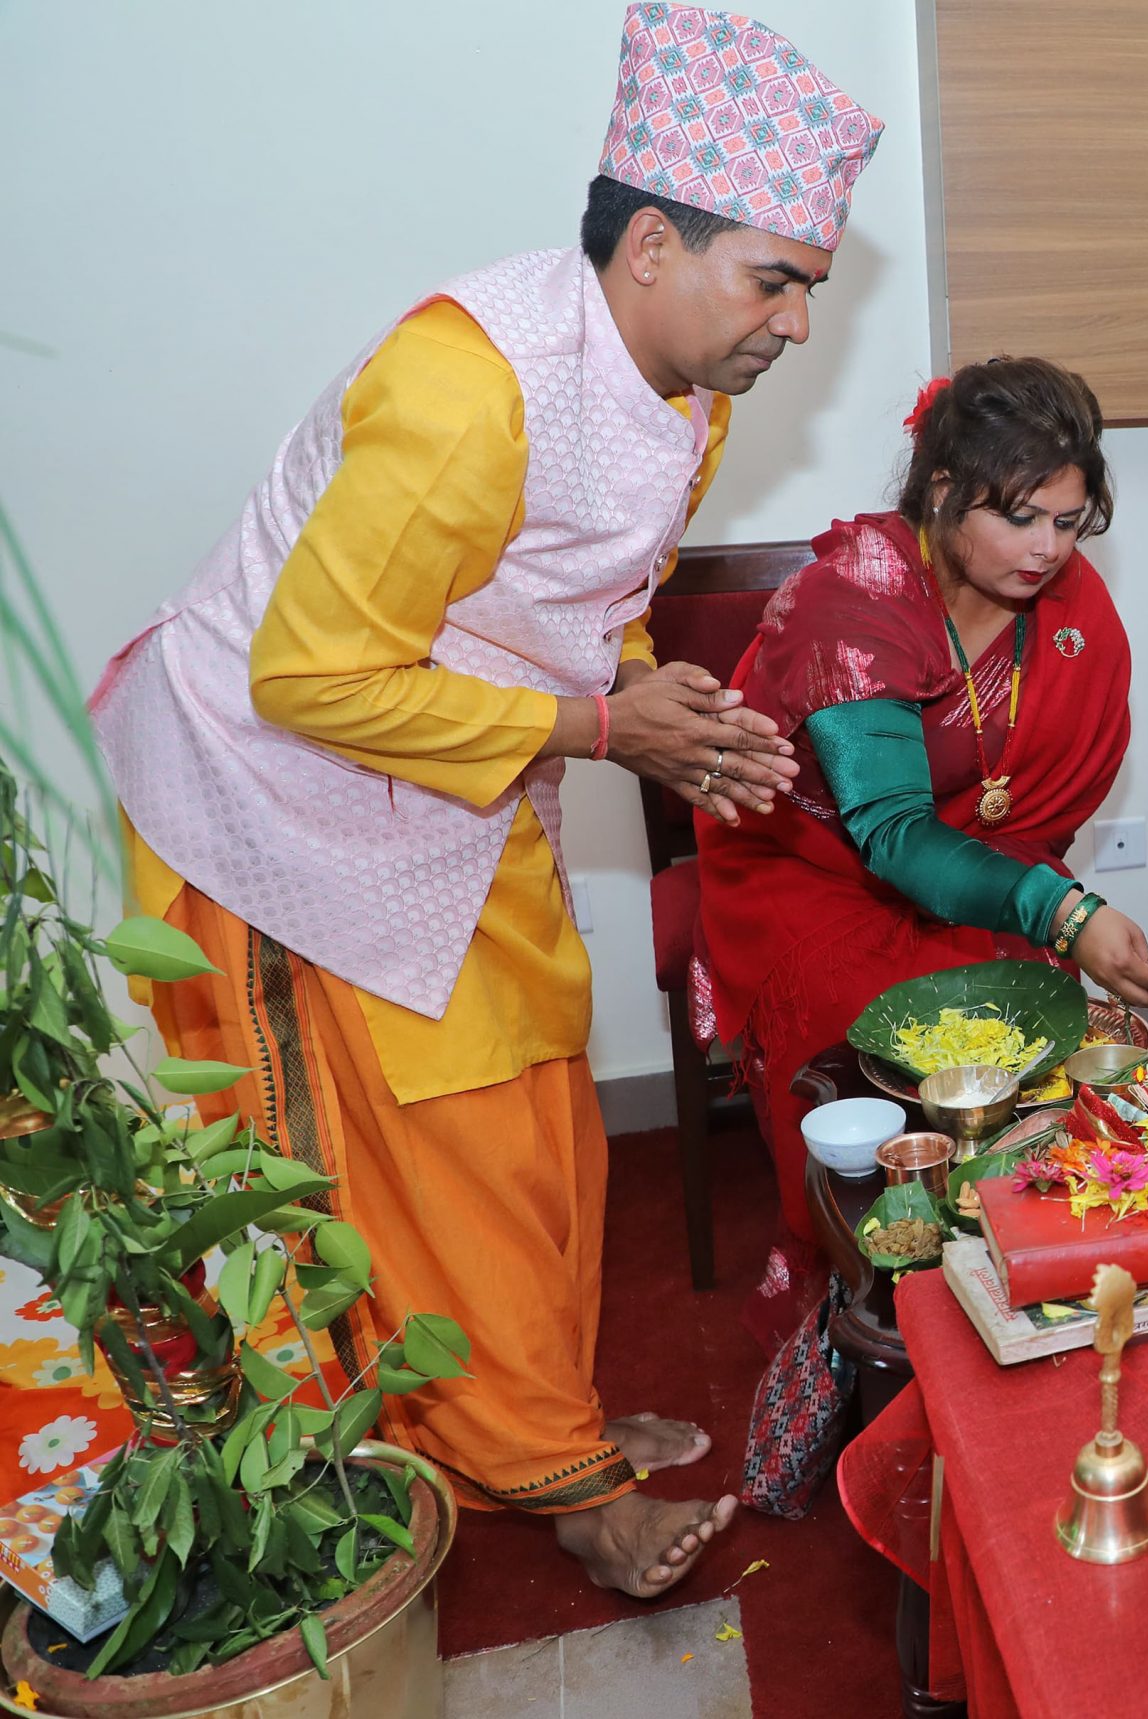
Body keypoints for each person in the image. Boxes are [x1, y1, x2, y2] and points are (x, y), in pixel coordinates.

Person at [86, 4, 881, 1599]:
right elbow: (307, 677)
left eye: (811, 286)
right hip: (273, 801)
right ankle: (556, 1484)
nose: (795, 322)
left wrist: (669, 703)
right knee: (411, 1159)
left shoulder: (689, 393)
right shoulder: (468, 387)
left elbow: (593, 583)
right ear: (652, 242)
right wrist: (604, 723)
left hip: (445, 783)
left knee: (537, 1118)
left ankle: (534, 1416)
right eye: (775, 278)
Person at [695, 359, 1148, 1276]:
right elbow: (892, 836)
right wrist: (1067, 914)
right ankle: (874, 1286)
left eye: (1069, 523)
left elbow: (1036, 791)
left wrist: (1039, 902)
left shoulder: (1069, 609)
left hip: (968, 866)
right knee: (883, 1037)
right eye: (1018, 516)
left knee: (1035, 1034)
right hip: (811, 867)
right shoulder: (852, 605)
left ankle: (1025, 1260)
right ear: (946, 492)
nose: (1046, 549)